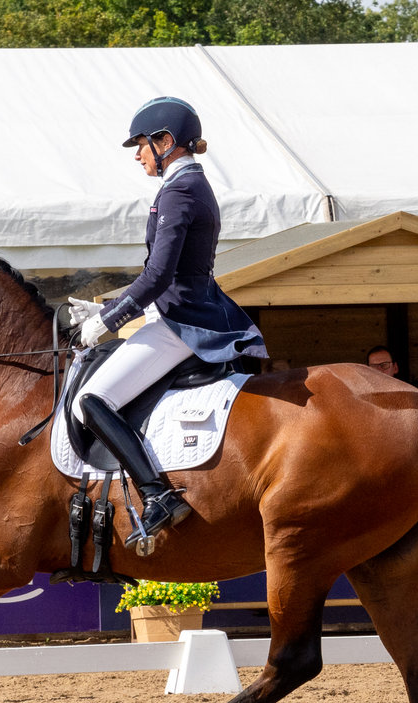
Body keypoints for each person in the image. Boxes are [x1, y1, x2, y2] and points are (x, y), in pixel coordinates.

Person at [68, 96, 267, 553]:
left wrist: (110, 320)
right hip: (182, 308)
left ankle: (157, 494)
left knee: (91, 400)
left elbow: (159, 277)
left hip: (183, 320)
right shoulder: (188, 185)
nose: (138, 155)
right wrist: (102, 308)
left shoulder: (180, 191)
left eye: (141, 145)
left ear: (165, 142)